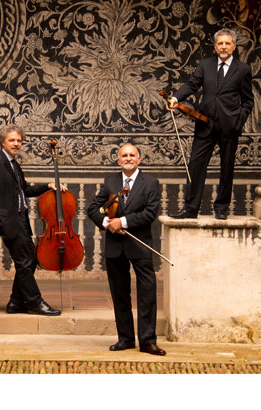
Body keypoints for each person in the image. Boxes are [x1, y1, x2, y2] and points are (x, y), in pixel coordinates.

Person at [87, 143, 166, 355]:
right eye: (124, 155)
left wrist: (121, 221)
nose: (128, 158)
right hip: (115, 246)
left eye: (132, 155)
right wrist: (106, 223)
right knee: (119, 294)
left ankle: (148, 341)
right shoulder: (110, 181)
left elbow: (150, 213)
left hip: (139, 244)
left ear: (139, 159)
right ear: (118, 160)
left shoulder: (151, 182)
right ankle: (125, 339)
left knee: (147, 293)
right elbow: (93, 208)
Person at [169, 28, 254, 220]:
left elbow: (248, 101)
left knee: (227, 167)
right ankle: (191, 208)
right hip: (205, 124)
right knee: (196, 165)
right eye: (220, 44)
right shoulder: (205, 65)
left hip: (229, 126)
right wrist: (176, 98)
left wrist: (238, 120)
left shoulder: (242, 70)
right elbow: (192, 85)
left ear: (233, 46)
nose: (223, 47)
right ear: (215, 46)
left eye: (227, 43)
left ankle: (221, 208)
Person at [0, 124, 62, 316]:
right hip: (9, 221)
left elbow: (25, 190)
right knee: (25, 260)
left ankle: (16, 302)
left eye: (18, 141)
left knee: (30, 260)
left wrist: (48, 186)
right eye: (12, 140)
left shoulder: (14, 164)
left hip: (21, 220)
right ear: (2, 142)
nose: (16, 144)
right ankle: (34, 302)